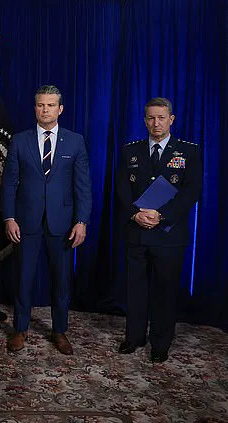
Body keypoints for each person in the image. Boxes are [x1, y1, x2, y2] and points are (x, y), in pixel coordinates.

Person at [1, 85, 92, 355]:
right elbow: (9, 184)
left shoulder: (75, 141)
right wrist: (9, 217)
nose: (45, 110)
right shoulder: (20, 140)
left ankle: (59, 331)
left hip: (62, 223)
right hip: (25, 221)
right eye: (41, 105)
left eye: (51, 105)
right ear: (35, 108)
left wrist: (81, 221)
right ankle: (20, 329)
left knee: (61, 281)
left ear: (60, 109)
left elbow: (83, 186)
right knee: (24, 278)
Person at [115, 97, 202, 363]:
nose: (156, 123)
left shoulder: (188, 152)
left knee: (165, 291)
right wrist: (135, 213)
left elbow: (191, 192)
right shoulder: (130, 151)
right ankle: (134, 337)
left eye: (161, 118)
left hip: (169, 234)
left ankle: (161, 343)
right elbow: (122, 188)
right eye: (151, 118)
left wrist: (161, 215)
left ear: (171, 119)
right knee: (135, 289)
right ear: (145, 120)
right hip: (137, 231)